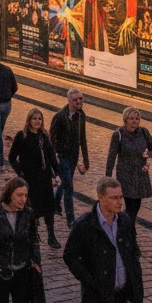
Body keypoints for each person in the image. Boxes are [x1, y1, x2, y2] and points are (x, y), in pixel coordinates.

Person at [9, 108, 61, 249]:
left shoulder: (44, 136)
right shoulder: (22, 136)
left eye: (40, 119)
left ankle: (51, 236)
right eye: (34, 118)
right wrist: (21, 173)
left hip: (44, 178)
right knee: (33, 209)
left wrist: (57, 172)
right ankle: (34, 234)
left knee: (49, 208)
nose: (37, 121)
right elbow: (12, 158)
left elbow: (51, 156)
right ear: (29, 120)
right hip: (30, 179)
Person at [105, 108, 152, 225]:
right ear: (125, 120)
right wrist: (108, 177)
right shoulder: (118, 134)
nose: (134, 121)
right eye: (131, 118)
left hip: (140, 174)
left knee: (136, 206)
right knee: (130, 206)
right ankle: (129, 232)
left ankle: (125, 227)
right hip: (126, 175)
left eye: (137, 119)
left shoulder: (144, 132)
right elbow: (112, 155)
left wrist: (149, 154)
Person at [50, 88, 90, 228]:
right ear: (69, 101)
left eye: (81, 99)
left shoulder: (81, 115)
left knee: (65, 182)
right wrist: (54, 156)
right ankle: (71, 220)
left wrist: (86, 161)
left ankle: (55, 204)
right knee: (69, 187)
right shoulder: (60, 116)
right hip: (62, 156)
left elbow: (82, 138)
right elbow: (52, 138)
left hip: (73, 156)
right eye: (76, 100)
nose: (79, 102)